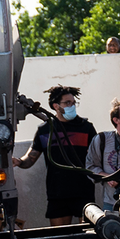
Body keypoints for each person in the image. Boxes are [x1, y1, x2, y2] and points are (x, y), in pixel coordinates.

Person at [14, 86, 95, 227]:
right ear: (55, 106)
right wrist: (19, 161)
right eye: (67, 103)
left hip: (83, 190)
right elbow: (31, 158)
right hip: (57, 192)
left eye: (73, 103)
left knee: (88, 234)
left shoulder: (86, 127)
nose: (72, 106)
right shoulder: (45, 130)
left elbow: (99, 155)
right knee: (59, 235)